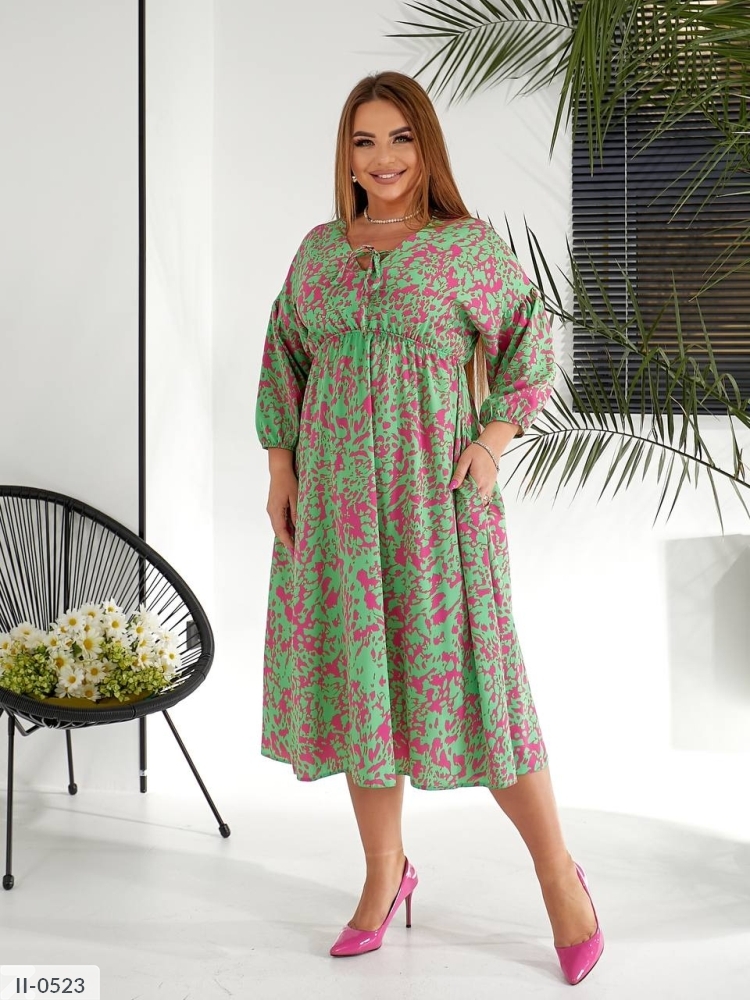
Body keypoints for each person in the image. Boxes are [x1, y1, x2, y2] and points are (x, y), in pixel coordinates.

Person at [254, 70, 603, 985]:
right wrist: (281, 468)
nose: (384, 158)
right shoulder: (319, 252)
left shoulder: (465, 248)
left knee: (484, 687)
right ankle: (385, 875)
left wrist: (491, 442)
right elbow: (283, 355)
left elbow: (529, 338)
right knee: (363, 679)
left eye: (401, 138)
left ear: (427, 147)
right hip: (336, 509)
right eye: (365, 141)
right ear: (346, 156)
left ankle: (559, 878)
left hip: (435, 506)